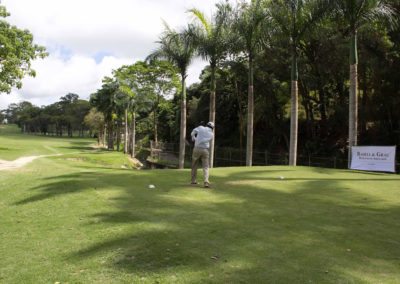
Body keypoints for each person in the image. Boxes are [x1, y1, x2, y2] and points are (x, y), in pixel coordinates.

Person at [191, 121, 214, 188]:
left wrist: (194, 138)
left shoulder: (200, 128)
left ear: (207, 125)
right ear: (212, 128)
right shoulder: (211, 134)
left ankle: (193, 180)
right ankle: (206, 181)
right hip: (205, 150)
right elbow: (205, 140)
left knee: (194, 165)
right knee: (206, 166)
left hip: (197, 149)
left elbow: (193, 132)